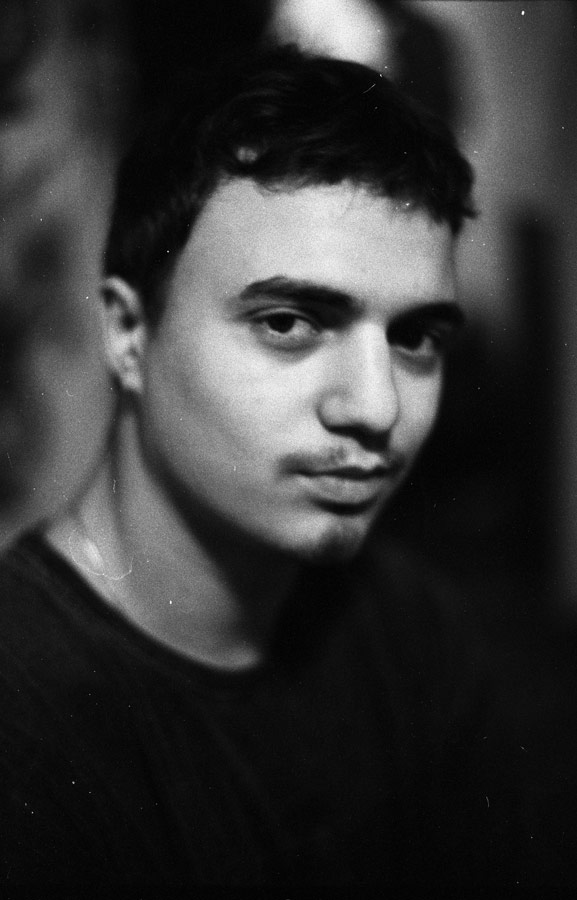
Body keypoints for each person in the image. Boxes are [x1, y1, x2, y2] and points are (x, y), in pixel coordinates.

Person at [0, 46, 524, 886]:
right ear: (128, 334)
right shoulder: (25, 715)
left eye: (414, 338)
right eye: (288, 323)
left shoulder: (413, 634)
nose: (376, 406)